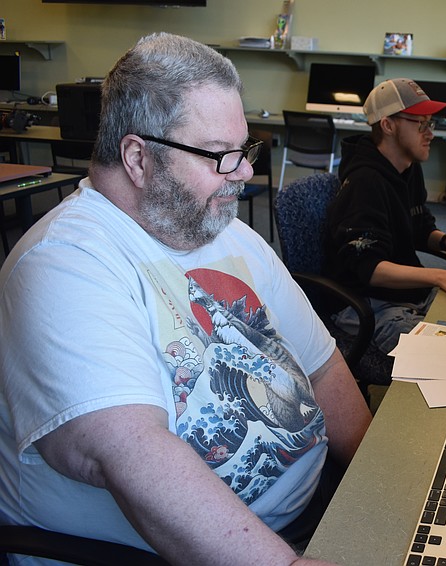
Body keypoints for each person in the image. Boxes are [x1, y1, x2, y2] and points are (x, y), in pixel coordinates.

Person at [0, 33, 371, 566]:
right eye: (221, 155)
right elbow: (131, 455)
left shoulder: (222, 232)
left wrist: (378, 481)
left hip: (310, 514)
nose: (244, 173)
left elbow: (324, 368)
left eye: (244, 151)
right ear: (137, 158)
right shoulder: (64, 264)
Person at [324, 78, 446, 355]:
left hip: (405, 294)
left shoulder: (407, 167)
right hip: (366, 303)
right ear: (388, 125)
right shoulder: (364, 183)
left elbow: (417, 227)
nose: (431, 133)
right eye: (422, 124)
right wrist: (439, 276)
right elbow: (368, 268)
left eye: (432, 123)